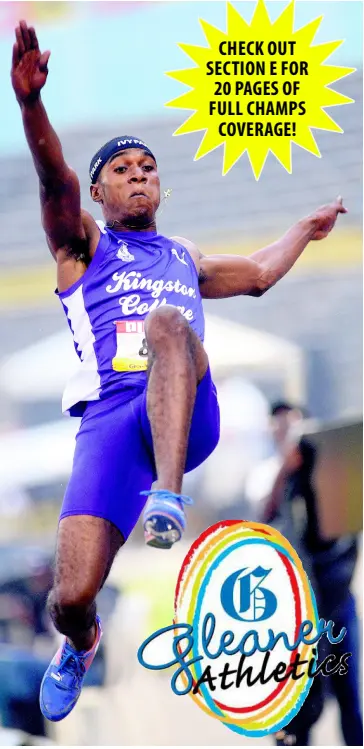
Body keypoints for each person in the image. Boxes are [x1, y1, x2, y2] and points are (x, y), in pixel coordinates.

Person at [10, 19, 348, 723]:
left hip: (185, 414)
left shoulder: (184, 257)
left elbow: (255, 275)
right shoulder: (82, 245)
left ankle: (168, 498)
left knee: (172, 328)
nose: (139, 177)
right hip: (109, 420)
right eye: (122, 172)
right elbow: (51, 178)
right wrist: (32, 106)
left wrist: (303, 231)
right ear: (99, 194)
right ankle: (79, 641)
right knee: (68, 596)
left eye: (149, 168)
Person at [263, 402, 363, 747]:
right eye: (279, 426)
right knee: (297, 705)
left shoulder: (328, 469)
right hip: (293, 612)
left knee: (349, 698)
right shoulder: (267, 473)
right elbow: (263, 520)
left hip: (338, 600)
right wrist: (283, 471)